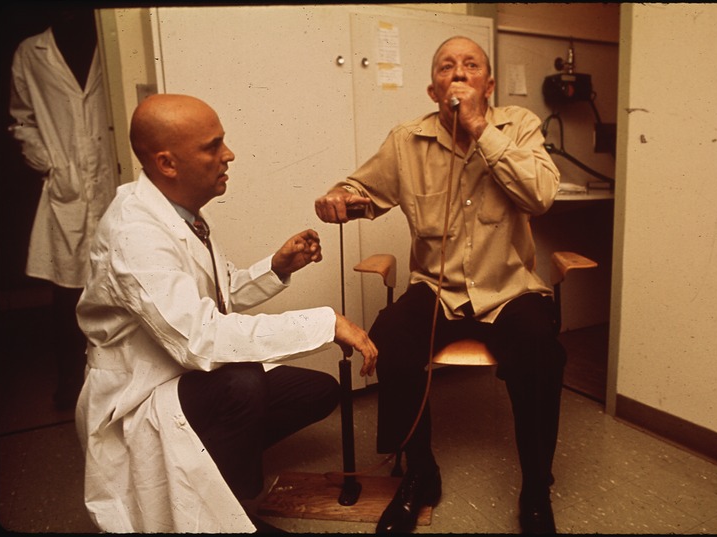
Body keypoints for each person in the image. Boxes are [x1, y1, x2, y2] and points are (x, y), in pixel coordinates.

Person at [75, 93, 378, 533]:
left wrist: (276, 268)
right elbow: (200, 338)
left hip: (177, 368)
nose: (228, 155)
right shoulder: (134, 232)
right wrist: (325, 322)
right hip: (140, 389)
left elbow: (214, 293)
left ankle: (210, 467)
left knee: (317, 391)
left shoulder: (178, 214)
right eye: (212, 146)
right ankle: (224, 515)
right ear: (167, 163)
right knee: (242, 382)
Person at [314, 36, 565, 534]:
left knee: (541, 349)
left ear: (487, 85)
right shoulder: (408, 139)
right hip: (437, 288)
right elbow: (363, 189)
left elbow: (540, 196)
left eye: (470, 66)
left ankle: (536, 486)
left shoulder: (520, 127)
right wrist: (339, 197)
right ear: (433, 90)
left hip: (510, 288)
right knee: (392, 337)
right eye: (447, 67)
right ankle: (421, 475)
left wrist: (478, 128)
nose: (458, 73)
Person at [8, 8, 119, 410]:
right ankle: (71, 376)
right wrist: (50, 161)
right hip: (65, 183)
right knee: (67, 287)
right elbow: (22, 118)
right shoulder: (30, 52)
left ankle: (115, 375)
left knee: (119, 278)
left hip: (114, 174)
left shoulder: (112, 40)